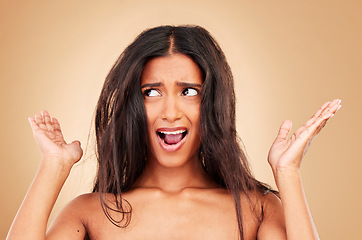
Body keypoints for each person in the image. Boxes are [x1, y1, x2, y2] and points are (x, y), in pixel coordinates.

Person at [7, 25, 341, 240]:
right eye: (151, 92)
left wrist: (288, 173)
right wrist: (54, 166)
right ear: (132, 105)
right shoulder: (89, 213)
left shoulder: (258, 209)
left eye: (189, 91)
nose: (170, 112)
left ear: (212, 102)